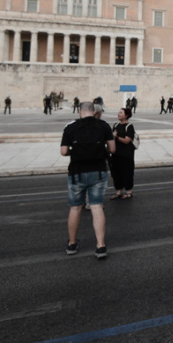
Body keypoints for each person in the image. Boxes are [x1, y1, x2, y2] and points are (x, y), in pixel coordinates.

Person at [60, 101, 115, 259]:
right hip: (98, 171)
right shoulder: (104, 125)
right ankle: (100, 246)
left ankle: (72, 244)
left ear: (79, 111)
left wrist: (75, 151)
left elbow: (64, 151)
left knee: (75, 208)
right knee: (97, 207)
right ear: (94, 111)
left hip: (77, 172)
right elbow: (112, 149)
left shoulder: (70, 127)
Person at [109, 108, 136, 200]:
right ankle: (119, 191)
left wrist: (117, 137)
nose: (118, 114)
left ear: (126, 115)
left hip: (126, 155)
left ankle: (129, 192)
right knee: (116, 173)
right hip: (116, 154)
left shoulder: (129, 126)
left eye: (121, 112)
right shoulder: (115, 125)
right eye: (118, 112)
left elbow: (127, 141)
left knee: (127, 172)